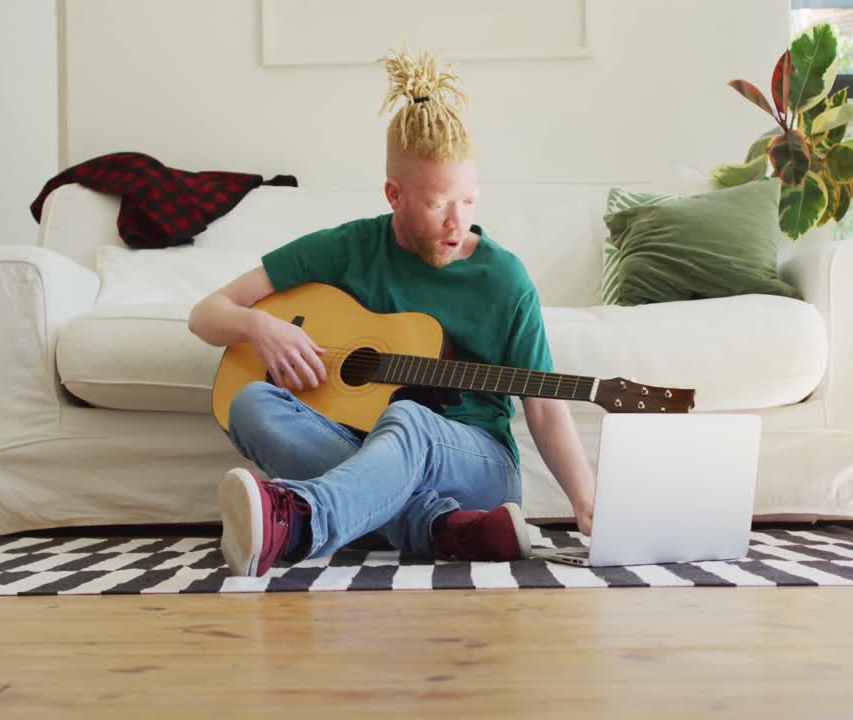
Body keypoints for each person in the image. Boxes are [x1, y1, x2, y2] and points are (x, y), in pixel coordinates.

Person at [188, 46, 596, 577]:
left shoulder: (504, 278)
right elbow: (205, 314)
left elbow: (543, 406)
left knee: (407, 417)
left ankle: (302, 522)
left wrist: (587, 505)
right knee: (249, 405)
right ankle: (438, 527)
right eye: (437, 204)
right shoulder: (348, 248)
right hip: (361, 443)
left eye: (468, 201)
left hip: (477, 461)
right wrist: (259, 327)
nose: (457, 222)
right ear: (394, 194)